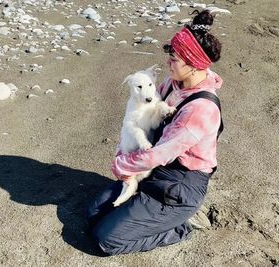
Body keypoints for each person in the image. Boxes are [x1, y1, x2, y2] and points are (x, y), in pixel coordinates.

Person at [86, 10, 223, 256]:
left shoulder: (200, 109)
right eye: (169, 56)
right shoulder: (174, 82)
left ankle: (180, 226)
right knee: (94, 213)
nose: (168, 63)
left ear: (193, 65)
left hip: (181, 183)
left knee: (106, 239)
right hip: (156, 167)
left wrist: (122, 165)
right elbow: (142, 118)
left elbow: (158, 154)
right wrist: (125, 152)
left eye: (175, 59)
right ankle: (149, 212)